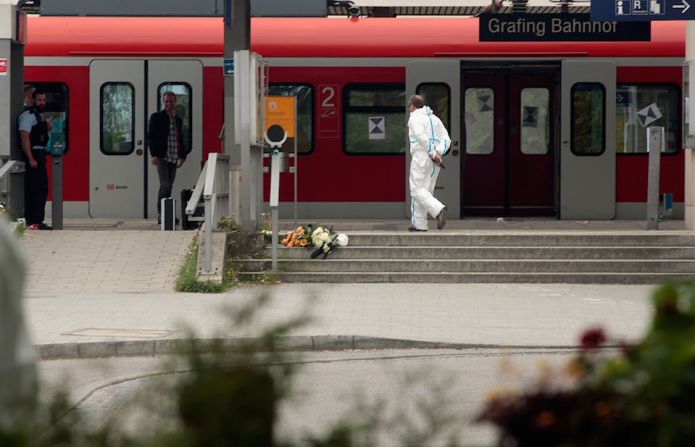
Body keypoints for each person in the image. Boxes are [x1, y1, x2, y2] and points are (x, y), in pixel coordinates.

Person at [407, 94, 450, 232]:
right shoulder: (435, 119)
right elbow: (446, 139)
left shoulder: (414, 117)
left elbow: (420, 137)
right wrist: (438, 152)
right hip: (435, 160)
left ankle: (438, 210)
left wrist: (432, 152)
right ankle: (420, 225)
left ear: (412, 106)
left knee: (416, 189)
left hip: (422, 156)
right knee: (426, 191)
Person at [148, 91, 189, 222]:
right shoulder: (156, 117)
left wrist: (182, 156)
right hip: (161, 156)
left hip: (174, 156)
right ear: (163, 102)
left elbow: (180, 138)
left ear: (175, 102)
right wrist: (153, 154)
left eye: (171, 101)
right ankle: (161, 214)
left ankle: (167, 214)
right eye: (166, 101)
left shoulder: (177, 119)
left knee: (170, 185)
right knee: (164, 185)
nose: (168, 103)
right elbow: (151, 137)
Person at [17, 89, 52, 230]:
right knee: (34, 189)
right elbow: (24, 136)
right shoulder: (28, 116)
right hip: (34, 156)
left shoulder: (38, 116)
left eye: (44, 100)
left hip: (40, 155)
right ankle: (33, 221)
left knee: (42, 189)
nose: (42, 103)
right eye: (39, 100)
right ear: (32, 100)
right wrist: (31, 158)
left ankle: (38, 220)